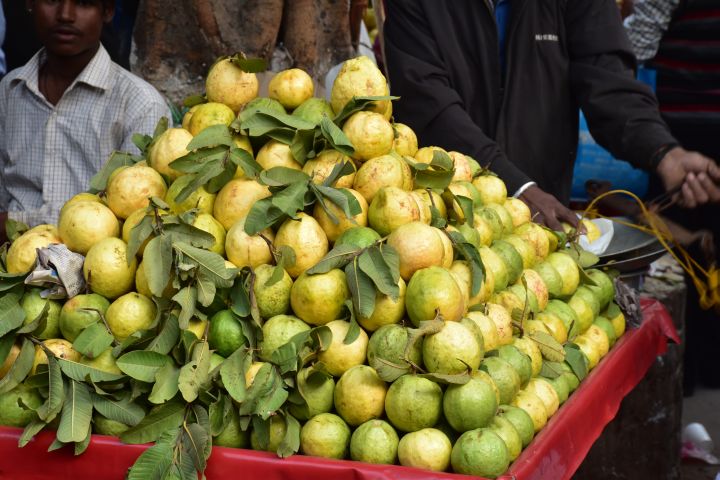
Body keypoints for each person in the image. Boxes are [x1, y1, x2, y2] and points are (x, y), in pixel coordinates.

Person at [383, 1, 720, 230]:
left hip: (545, 222)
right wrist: (517, 187)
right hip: (442, 217)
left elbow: (609, 81)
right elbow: (429, 103)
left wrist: (663, 152)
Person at [0, 0, 171, 241]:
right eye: (51, 0)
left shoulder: (140, 104)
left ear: (108, 10)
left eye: (83, 3)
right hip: (10, 260)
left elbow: (137, 220)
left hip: (93, 268)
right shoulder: (9, 91)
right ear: (29, 3)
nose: (65, 15)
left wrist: (17, 222)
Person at [626, 0, 720, 392]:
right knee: (694, 252)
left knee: (678, 256)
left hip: (679, 132)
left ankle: (684, 377)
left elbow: (636, 45)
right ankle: (704, 370)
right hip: (677, 143)